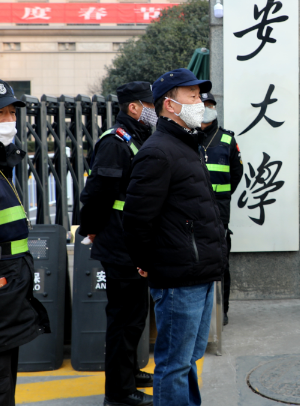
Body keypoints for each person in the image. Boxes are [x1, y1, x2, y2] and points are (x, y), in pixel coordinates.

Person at [123, 69, 226, 406]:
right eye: (192, 96)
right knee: (173, 364)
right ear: (169, 104)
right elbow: (137, 218)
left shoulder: (186, 145)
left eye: (200, 96)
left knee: (187, 358)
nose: (200, 103)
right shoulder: (159, 151)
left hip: (198, 272)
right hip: (178, 276)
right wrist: (145, 263)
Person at [79, 82, 156, 406]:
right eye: (149, 105)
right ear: (134, 108)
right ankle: (119, 393)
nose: (154, 111)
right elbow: (97, 193)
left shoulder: (138, 138)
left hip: (131, 242)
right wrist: (91, 229)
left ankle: (129, 371)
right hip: (119, 243)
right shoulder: (115, 142)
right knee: (124, 320)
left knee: (135, 317)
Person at [0, 79, 50, 406]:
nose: (8, 121)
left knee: (7, 377)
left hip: (12, 283)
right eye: (1, 114)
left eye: (10, 113)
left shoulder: (6, 164)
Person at [199, 92, 243, 326]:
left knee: (221, 263)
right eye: (203, 104)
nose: (207, 108)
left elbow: (236, 173)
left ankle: (222, 310)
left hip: (218, 213)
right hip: (191, 213)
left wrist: (220, 196)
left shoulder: (226, 139)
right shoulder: (186, 136)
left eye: (211, 105)